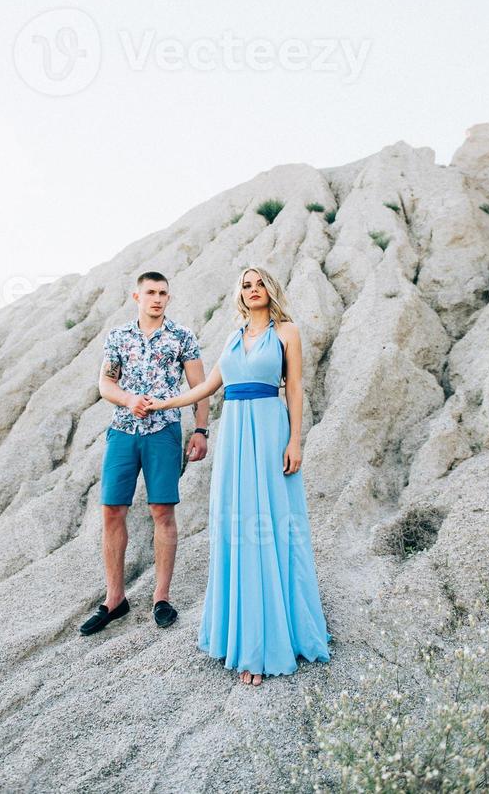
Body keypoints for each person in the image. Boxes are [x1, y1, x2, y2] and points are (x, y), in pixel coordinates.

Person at [144, 265, 331, 684]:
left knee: (270, 527)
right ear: (240, 294)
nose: (253, 290)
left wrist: (295, 440)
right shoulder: (232, 337)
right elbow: (208, 386)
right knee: (239, 529)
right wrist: (163, 404)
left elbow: (296, 387)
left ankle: (267, 645)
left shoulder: (287, 332)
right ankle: (242, 637)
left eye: (260, 282)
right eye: (246, 285)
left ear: (271, 288)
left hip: (269, 431)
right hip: (234, 438)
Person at [79, 271, 210, 636]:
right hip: (123, 430)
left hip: (164, 430)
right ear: (137, 296)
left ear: (168, 298)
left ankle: (161, 597)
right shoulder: (118, 336)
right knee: (111, 510)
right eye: (150, 292)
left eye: (163, 293)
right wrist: (129, 399)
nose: (157, 298)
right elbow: (106, 383)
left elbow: (199, 387)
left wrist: (200, 430)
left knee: (162, 511)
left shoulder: (182, 336)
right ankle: (114, 599)